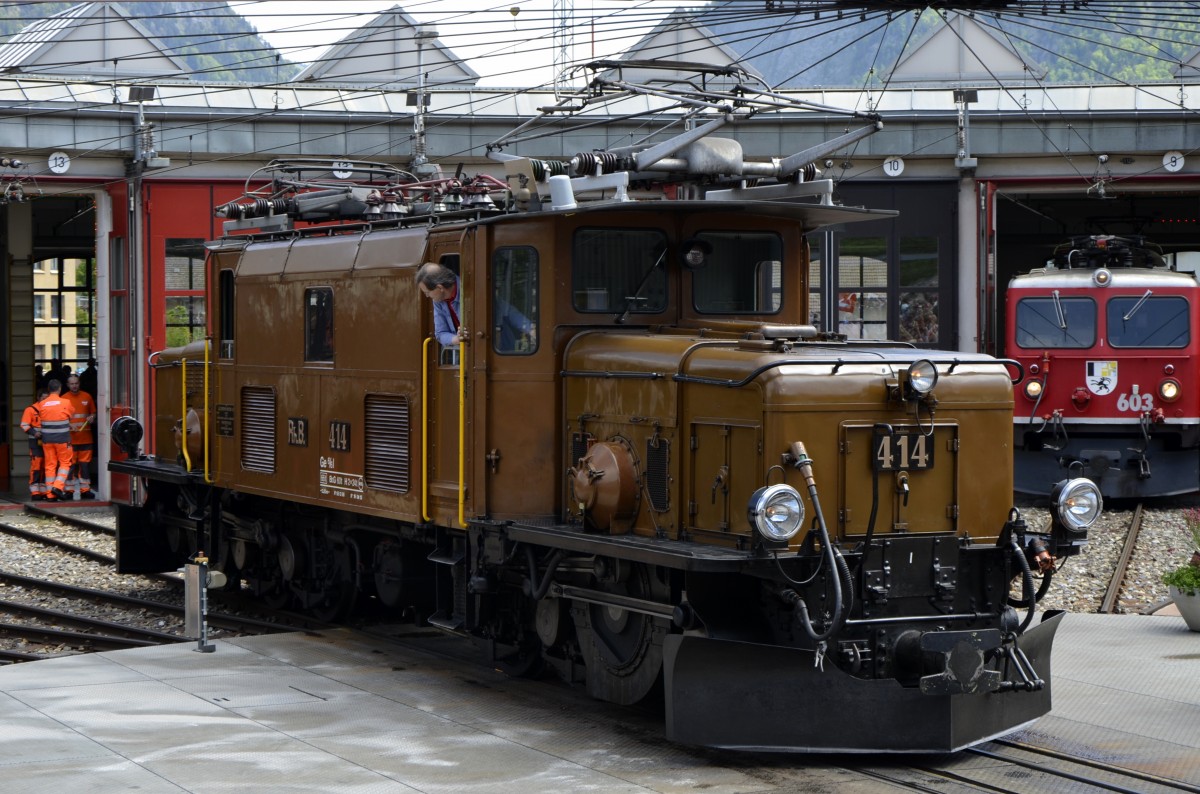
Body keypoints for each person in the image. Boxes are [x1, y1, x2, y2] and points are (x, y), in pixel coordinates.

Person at [34, 379, 74, 501]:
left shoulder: (42, 404)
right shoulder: (66, 402)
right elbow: (71, 415)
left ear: (49, 389)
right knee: (65, 463)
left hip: (47, 440)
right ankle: (57, 487)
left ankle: (50, 495)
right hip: (62, 440)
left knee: (49, 465)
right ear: (60, 389)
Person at [415, 262, 466, 346]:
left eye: (427, 292)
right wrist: (456, 339)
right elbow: (440, 333)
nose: (427, 296)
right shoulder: (438, 300)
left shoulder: (469, 291)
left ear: (440, 288)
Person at [64, 373, 97, 499]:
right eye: (72, 384)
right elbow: (61, 417)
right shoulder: (64, 399)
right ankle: (69, 491)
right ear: (67, 385)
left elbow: (93, 413)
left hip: (86, 438)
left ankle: (85, 490)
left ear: (79, 383)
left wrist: (92, 417)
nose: (74, 386)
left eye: (76, 383)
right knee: (70, 466)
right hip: (71, 439)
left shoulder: (87, 396)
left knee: (84, 466)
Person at [19, 389, 48, 500]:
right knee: (36, 465)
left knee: (46, 466)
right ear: (38, 398)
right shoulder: (30, 410)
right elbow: (24, 425)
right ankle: (35, 491)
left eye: (47, 399)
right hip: (35, 442)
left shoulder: (50, 410)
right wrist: (34, 433)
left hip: (48, 442)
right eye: (43, 398)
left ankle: (44, 490)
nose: (45, 401)